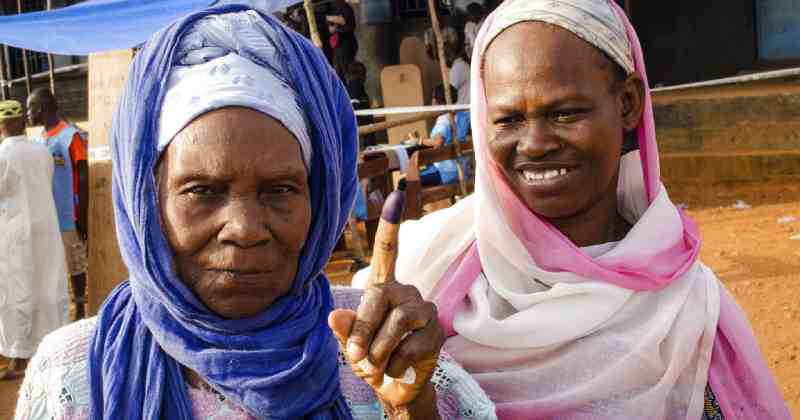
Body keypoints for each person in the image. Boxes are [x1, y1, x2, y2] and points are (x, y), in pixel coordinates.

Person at [14, 5, 496, 420]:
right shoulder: (75, 375)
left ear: (320, 198)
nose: (244, 230)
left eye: (280, 190)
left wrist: (416, 408)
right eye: (202, 191)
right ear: (148, 202)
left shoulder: (384, 355)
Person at [355, 0, 790, 418]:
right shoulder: (425, 269)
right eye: (507, 120)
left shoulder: (687, 309)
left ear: (628, 104)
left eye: (564, 113)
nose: (535, 144)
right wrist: (409, 404)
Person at [0, 100, 69, 381]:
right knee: (48, 284)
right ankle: (51, 349)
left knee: (17, 288)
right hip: (46, 226)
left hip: (15, 231)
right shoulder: (41, 151)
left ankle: (18, 357)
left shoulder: (3, 154)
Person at [26, 88, 89, 320]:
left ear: (41, 109)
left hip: (68, 216)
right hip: (46, 215)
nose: (27, 113)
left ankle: (81, 308)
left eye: (29, 107)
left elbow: (82, 176)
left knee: (75, 263)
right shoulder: (37, 140)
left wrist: (82, 215)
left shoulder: (70, 136)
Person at [416, 84, 471, 187]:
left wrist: (419, 141)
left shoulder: (443, 119)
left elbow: (438, 142)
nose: (432, 102)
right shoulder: (464, 115)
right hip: (463, 171)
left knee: (406, 183)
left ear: (437, 101)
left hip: (445, 172)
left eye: (433, 98)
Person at [326, 0, 358, 80]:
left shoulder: (344, 7)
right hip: (338, 46)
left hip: (346, 45)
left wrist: (328, 19)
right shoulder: (333, 7)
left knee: (347, 72)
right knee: (339, 73)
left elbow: (344, 20)